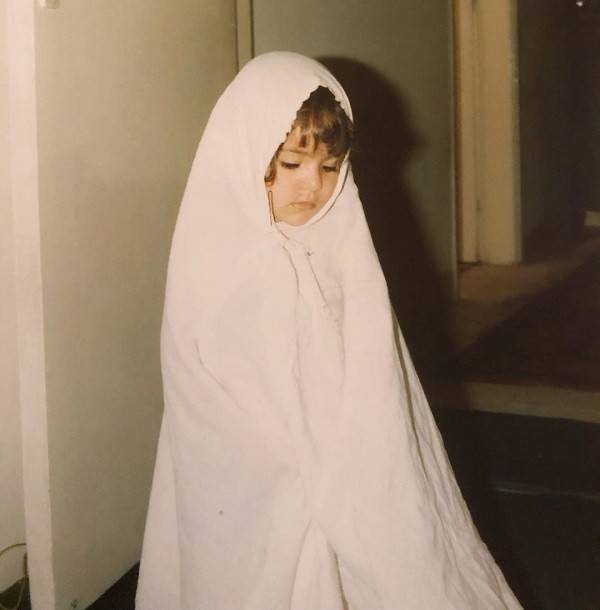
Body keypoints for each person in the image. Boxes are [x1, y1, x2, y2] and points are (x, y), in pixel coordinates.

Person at [135, 52, 521, 610]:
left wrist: (350, 457)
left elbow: (372, 364)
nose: (312, 186)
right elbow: (205, 390)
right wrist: (300, 463)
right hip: (252, 474)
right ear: (244, 154)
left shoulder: (339, 247)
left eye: (330, 167)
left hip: (339, 458)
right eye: (292, 164)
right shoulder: (218, 261)